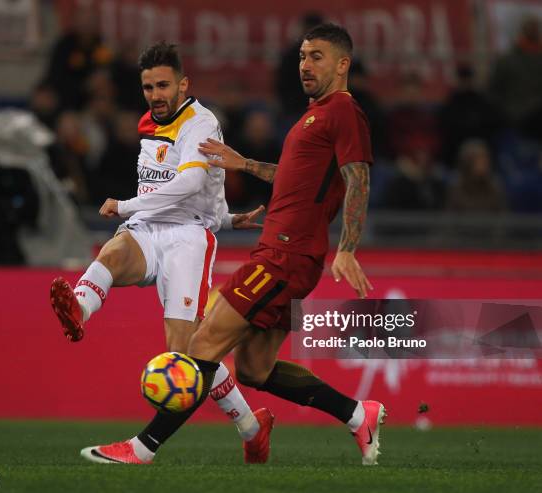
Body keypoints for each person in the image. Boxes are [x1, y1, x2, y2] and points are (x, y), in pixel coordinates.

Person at [96, 24, 387, 466]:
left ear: (343, 64)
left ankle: (143, 448)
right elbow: (296, 177)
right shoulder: (316, 114)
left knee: (203, 344)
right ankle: (356, 413)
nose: (306, 65)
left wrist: (348, 247)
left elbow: (358, 179)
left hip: (285, 255)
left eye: (318, 57)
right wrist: (245, 164)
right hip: (284, 252)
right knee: (255, 370)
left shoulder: (343, 112)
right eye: (303, 56)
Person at [49, 42, 271, 465]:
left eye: (163, 85)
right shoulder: (149, 123)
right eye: (149, 86)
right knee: (113, 252)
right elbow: (183, 189)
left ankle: (251, 428)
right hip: (149, 229)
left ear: (183, 84)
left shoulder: (202, 123)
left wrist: (126, 204)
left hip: (186, 239)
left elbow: (189, 187)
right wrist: (226, 217)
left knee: (187, 355)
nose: (155, 94)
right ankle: (78, 310)